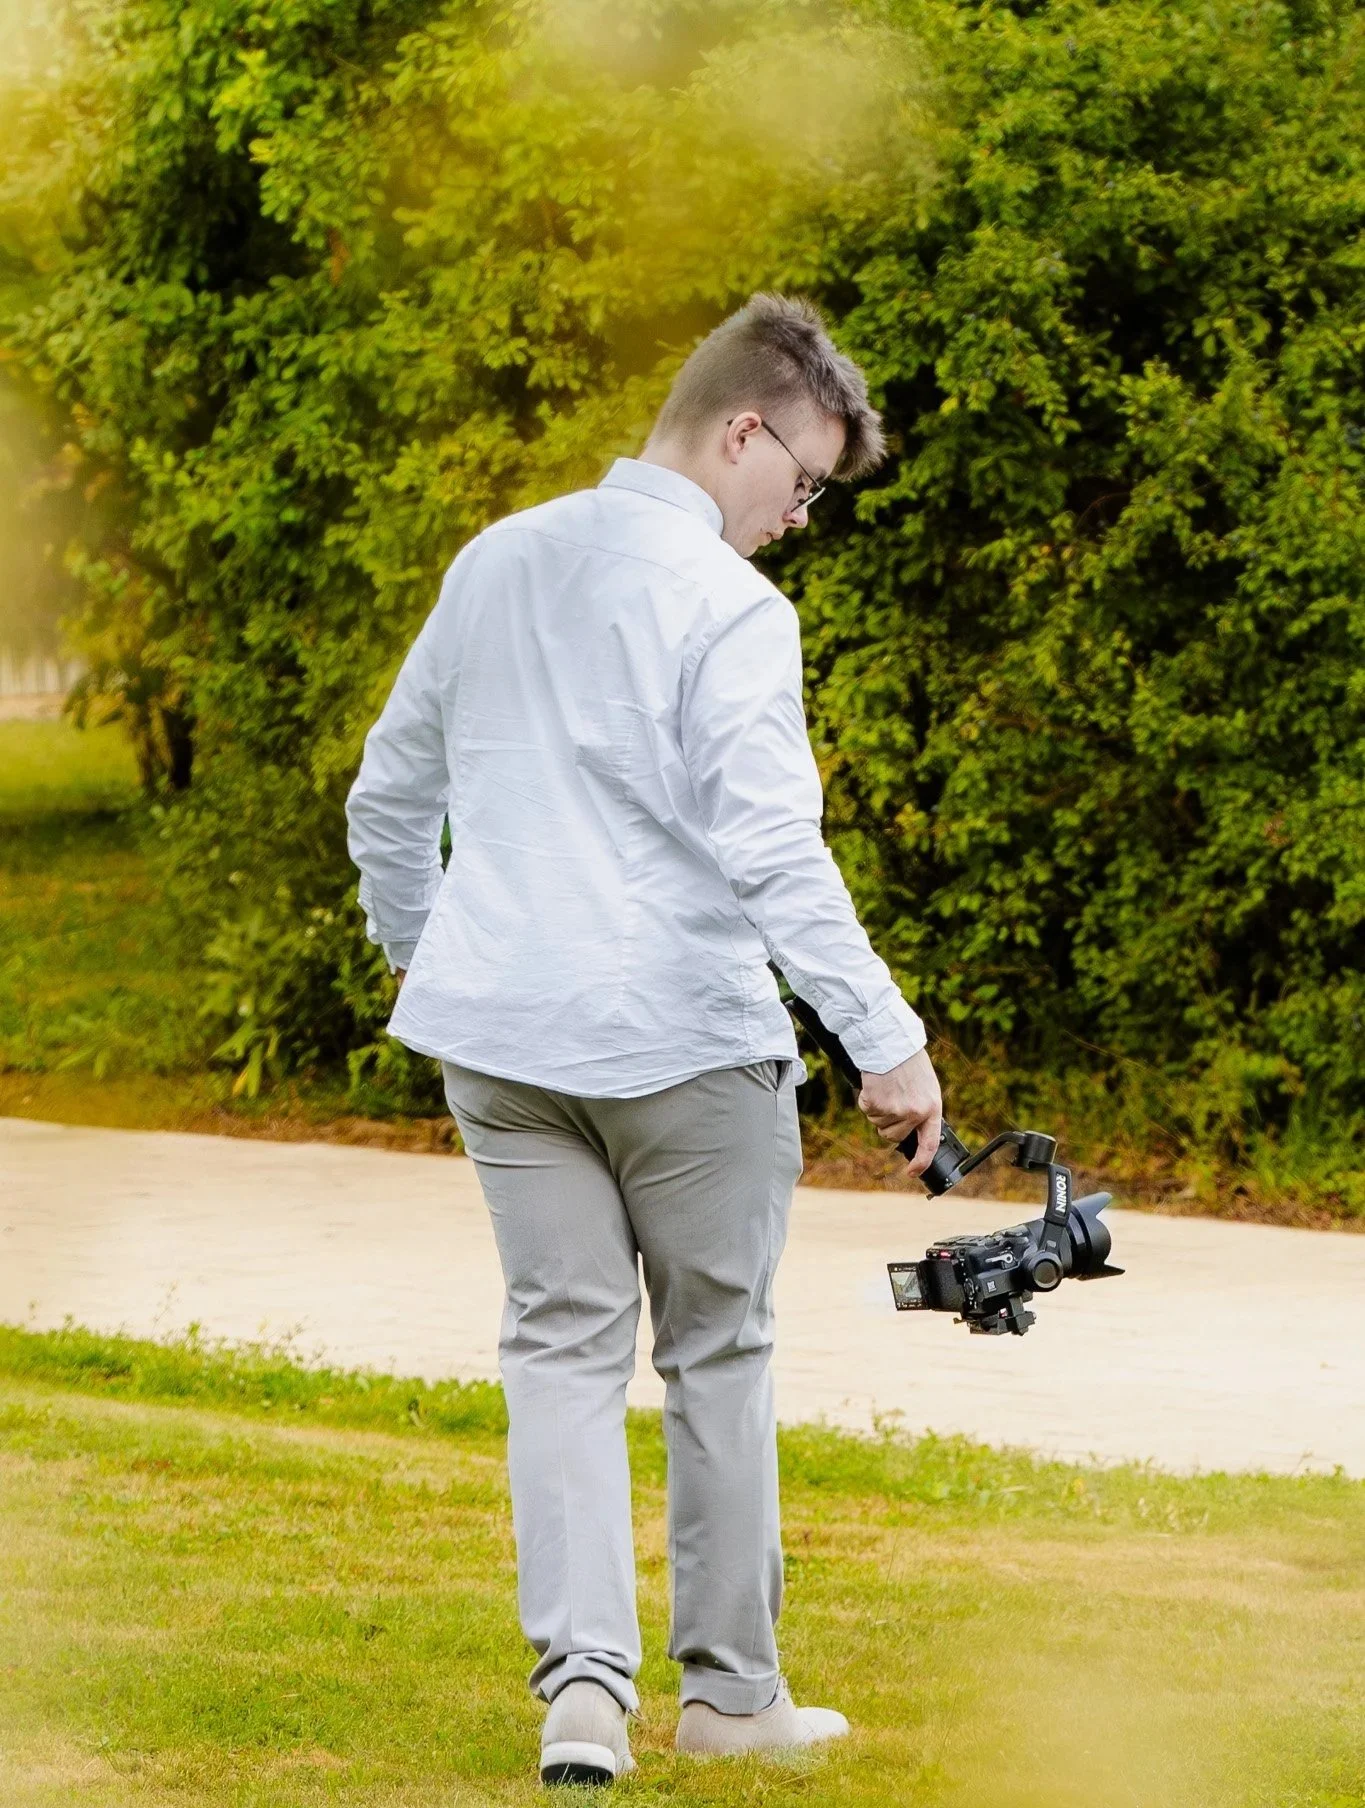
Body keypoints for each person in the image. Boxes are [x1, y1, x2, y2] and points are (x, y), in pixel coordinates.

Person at [345, 292, 943, 1786]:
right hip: (686, 1043)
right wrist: (890, 1042)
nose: (800, 518)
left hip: (506, 1039)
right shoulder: (731, 608)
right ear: (744, 429)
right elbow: (772, 851)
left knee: (557, 1348)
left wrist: (445, 960)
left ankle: (582, 1699)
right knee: (720, 1355)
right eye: (802, 482)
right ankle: (733, 1700)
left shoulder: (500, 561)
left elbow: (386, 802)